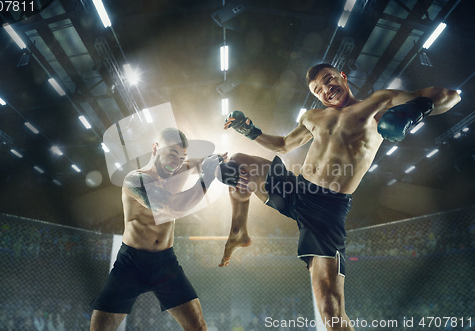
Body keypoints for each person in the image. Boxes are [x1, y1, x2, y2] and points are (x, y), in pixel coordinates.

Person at [218, 63, 461, 331]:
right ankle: (239, 231)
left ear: (342, 76)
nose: (326, 89)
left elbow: (449, 95)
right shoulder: (313, 117)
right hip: (295, 190)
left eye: (329, 80)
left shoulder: (377, 103)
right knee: (237, 163)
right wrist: (249, 130)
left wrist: (417, 108)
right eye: (318, 89)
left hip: (325, 210)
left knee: (330, 312)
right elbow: (283, 145)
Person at [90, 127, 226, 331]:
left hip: (165, 263)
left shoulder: (178, 172)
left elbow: (206, 163)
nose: (177, 162)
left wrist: (223, 165)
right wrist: (207, 175)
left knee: (198, 327)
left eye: (182, 157)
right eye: (172, 154)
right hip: (131, 264)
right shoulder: (135, 179)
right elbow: (173, 208)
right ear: (155, 148)